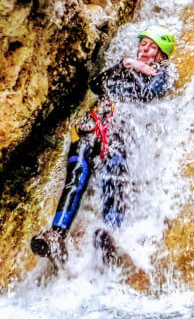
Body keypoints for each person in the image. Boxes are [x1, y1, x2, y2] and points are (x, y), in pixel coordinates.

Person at [30, 25, 176, 265]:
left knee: (113, 177)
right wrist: (122, 65)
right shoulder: (125, 65)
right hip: (94, 126)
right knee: (76, 174)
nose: (144, 49)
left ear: (161, 54)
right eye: (143, 44)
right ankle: (57, 234)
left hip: (121, 131)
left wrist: (137, 68)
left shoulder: (164, 72)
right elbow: (97, 84)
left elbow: (147, 93)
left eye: (151, 47)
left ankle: (111, 235)